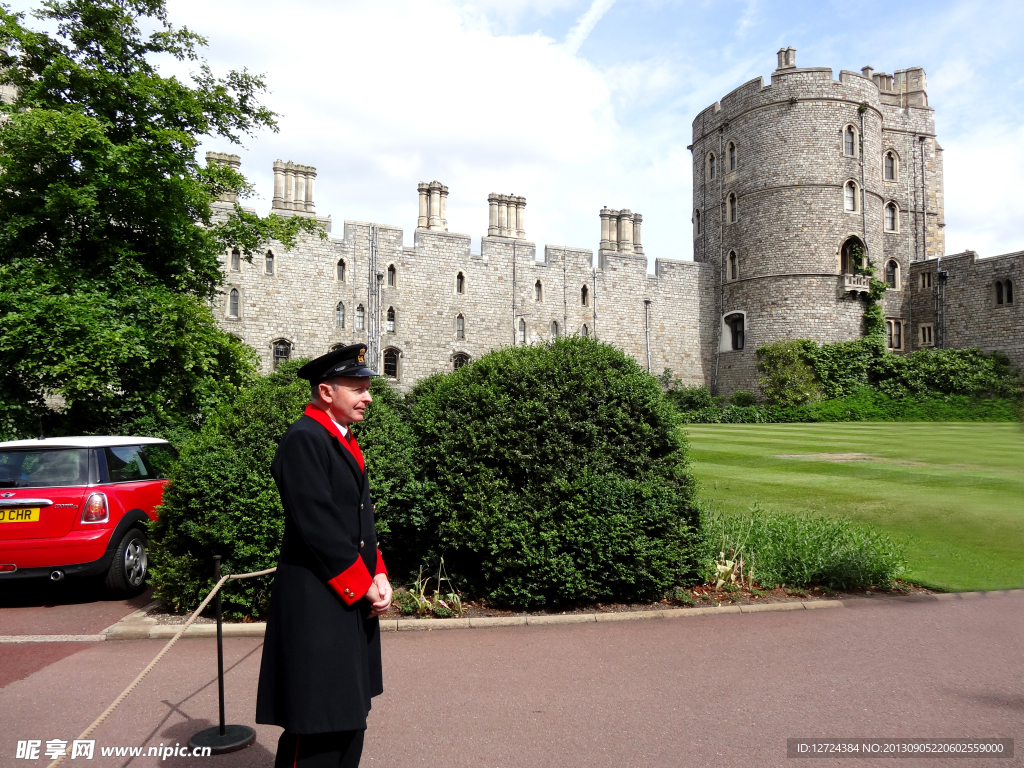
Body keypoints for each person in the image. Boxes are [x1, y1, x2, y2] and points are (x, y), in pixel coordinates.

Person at [256, 343, 393, 768]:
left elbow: (356, 521)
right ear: (326, 391)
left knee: (349, 715)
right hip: (319, 599)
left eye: (367, 386)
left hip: (345, 596)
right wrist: (363, 585)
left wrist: (380, 573)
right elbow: (316, 526)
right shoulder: (304, 438)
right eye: (358, 387)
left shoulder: (339, 438)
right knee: (317, 724)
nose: (368, 396)